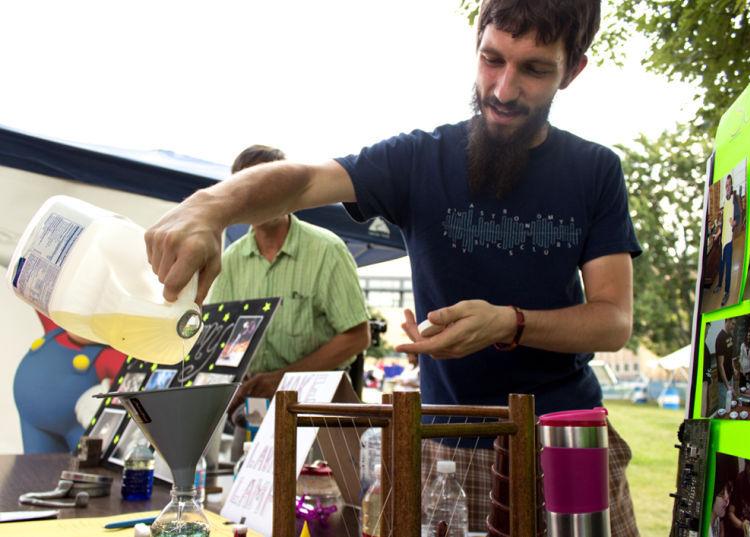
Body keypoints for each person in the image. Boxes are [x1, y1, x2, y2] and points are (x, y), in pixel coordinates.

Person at [144, 0, 641, 533]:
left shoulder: (595, 170)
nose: (502, 88)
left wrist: (510, 322)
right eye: (491, 59)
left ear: (574, 70)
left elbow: (613, 321)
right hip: (447, 449)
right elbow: (305, 179)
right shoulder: (419, 159)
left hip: (566, 435)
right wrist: (208, 207)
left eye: (534, 69)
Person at [208, 145, 370, 406]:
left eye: (268, 186)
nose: (258, 198)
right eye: (247, 189)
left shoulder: (327, 250)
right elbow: (221, 337)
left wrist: (282, 378)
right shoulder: (230, 259)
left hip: (319, 402)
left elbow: (357, 337)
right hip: (255, 400)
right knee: (244, 448)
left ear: (288, 191)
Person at [13, 312, 125, 453]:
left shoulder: (109, 355)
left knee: (80, 469)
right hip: (32, 422)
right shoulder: (55, 329)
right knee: (35, 466)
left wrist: (108, 393)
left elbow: (135, 381)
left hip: (78, 427)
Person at [715, 174, 740, 307]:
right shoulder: (724, 200)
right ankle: (719, 285)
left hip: (729, 240)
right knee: (721, 265)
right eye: (726, 185)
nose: (728, 187)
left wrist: (734, 222)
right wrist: (719, 231)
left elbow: (738, 216)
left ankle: (727, 292)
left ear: (732, 185)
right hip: (722, 240)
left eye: (729, 184)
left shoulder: (734, 199)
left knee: (728, 266)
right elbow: (722, 220)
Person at [716, 318, 738, 409]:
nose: (733, 326)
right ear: (727, 321)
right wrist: (727, 385)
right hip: (723, 381)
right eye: (732, 324)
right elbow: (720, 365)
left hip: (730, 377)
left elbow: (730, 357)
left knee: (728, 404)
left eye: (734, 324)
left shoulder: (730, 336)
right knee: (723, 407)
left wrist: (734, 369)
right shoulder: (720, 338)